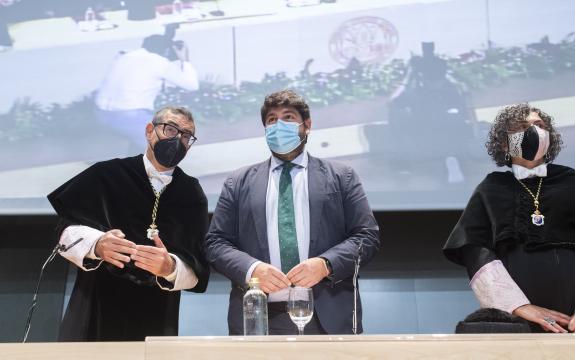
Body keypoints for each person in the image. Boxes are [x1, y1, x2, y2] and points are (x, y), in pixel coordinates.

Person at [443, 103, 575, 333]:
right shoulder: (491, 189)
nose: (533, 132)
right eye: (522, 127)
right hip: (521, 324)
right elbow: (476, 251)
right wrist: (519, 306)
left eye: (539, 125)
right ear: (504, 142)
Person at [204, 89, 380, 335]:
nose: (279, 125)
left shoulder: (342, 176)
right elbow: (215, 243)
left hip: (327, 316)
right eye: (271, 120)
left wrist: (326, 264)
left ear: (307, 125)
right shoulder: (238, 182)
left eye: (288, 117)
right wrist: (252, 269)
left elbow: (366, 236)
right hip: (258, 317)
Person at [48, 106, 209, 341]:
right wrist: (97, 244)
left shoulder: (191, 193)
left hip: (157, 311)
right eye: (171, 130)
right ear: (149, 131)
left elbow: (197, 265)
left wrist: (170, 268)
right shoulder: (106, 174)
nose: (178, 140)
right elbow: (65, 229)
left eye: (186, 136)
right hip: (97, 301)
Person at [94, 29, 198, 148]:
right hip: (129, 117)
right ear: (166, 51)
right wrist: (184, 60)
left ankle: (138, 154)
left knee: (144, 134)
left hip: (101, 114)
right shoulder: (159, 62)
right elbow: (192, 85)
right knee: (174, 142)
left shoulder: (123, 56)